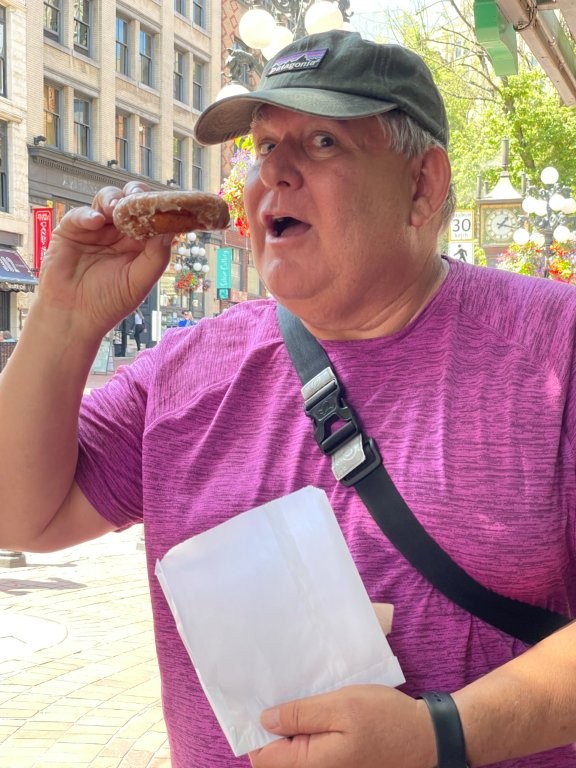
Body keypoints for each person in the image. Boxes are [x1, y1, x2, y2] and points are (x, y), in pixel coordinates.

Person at [0, 29, 574, 768]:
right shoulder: (184, 370)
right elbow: (20, 516)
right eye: (265, 145)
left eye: (323, 142)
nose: (275, 170)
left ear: (422, 186)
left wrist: (439, 735)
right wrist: (64, 317)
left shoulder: (553, 348)